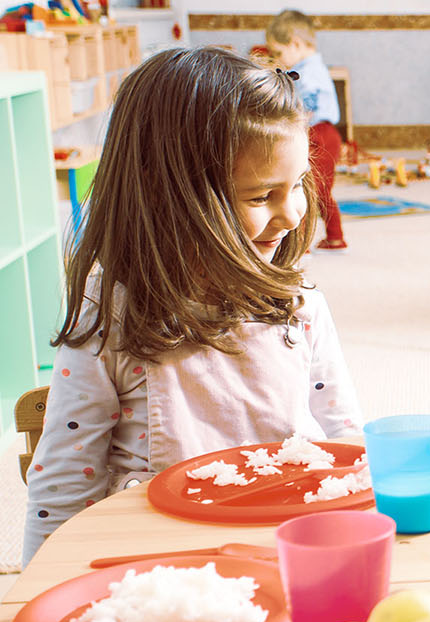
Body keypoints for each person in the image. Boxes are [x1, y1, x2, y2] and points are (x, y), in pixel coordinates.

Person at [22, 47, 364, 566]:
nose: (294, 213)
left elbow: (344, 441)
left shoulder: (299, 303)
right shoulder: (109, 314)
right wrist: (39, 587)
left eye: (296, 185)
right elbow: (65, 483)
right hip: (159, 565)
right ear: (170, 199)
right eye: (260, 196)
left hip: (286, 548)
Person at [266, 9, 346, 251]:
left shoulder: (306, 72)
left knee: (307, 190)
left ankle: (299, 244)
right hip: (325, 133)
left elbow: (306, 104)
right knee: (320, 191)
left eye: (279, 52)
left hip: (318, 134)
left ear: (296, 43)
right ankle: (334, 237)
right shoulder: (315, 67)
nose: (278, 59)